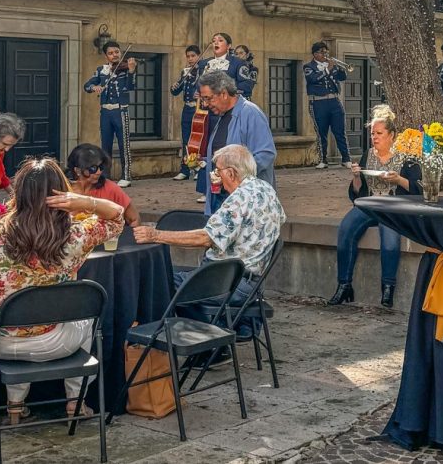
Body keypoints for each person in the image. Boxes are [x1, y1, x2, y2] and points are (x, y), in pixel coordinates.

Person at [0, 157, 125, 423]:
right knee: (86, 317)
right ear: (61, 194)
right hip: (54, 341)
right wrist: (86, 202)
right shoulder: (76, 238)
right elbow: (117, 217)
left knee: (5, 316)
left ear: (17, 194)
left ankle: (15, 407)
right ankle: (74, 403)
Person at [135, 145, 285, 332]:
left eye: (218, 170)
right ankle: (217, 332)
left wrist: (155, 235)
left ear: (231, 173)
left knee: (158, 282)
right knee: (175, 276)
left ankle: (201, 339)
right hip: (252, 282)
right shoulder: (265, 188)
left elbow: (207, 238)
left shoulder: (240, 199)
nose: (215, 175)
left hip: (227, 284)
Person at [329, 105, 421, 308]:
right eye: (372, 134)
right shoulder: (367, 155)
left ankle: (388, 288)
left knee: (389, 237)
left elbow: (417, 189)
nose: (375, 138)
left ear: (392, 135)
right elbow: (357, 193)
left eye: (379, 133)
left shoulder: (406, 157)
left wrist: (399, 180)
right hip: (369, 204)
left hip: (393, 207)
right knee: (346, 229)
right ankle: (344, 285)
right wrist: (356, 177)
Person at [197, 71, 277, 214]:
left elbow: (266, 154)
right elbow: (226, 155)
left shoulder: (250, 113)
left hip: (246, 203)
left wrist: (235, 176)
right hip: (221, 198)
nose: (205, 104)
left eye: (208, 99)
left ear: (223, 93)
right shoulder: (222, 116)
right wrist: (205, 161)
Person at [83, 41, 136, 187]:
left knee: (123, 144)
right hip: (105, 111)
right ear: (106, 56)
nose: (115, 55)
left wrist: (131, 71)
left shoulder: (126, 69)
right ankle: (105, 176)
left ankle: (126, 176)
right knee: (105, 144)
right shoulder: (101, 70)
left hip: (121, 110)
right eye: (111, 53)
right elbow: (86, 85)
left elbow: (131, 87)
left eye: (117, 52)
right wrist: (95, 87)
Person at [66, 143, 141, 227]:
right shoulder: (63, 190)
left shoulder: (110, 188)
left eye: (101, 167)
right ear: (77, 170)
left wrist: (128, 239)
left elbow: (134, 219)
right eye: (93, 169)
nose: (99, 172)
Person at [304, 41, 352, 169]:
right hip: (318, 102)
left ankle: (346, 159)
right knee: (321, 133)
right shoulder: (308, 66)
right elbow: (312, 79)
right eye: (322, 52)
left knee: (340, 131)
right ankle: (323, 160)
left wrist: (340, 68)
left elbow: (342, 77)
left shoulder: (331, 65)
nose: (325, 54)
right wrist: (327, 69)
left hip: (334, 101)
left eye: (326, 52)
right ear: (315, 54)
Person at [170, 45, 201, 181]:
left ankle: (199, 168)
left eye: (193, 56)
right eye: (188, 56)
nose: (190, 59)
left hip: (199, 108)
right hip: (187, 109)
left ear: (199, 56)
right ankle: (185, 169)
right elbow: (177, 91)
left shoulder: (203, 71)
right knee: (186, 139)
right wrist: (174, 87)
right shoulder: (185, 72)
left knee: (198, 140)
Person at [196, 32, 255, 98]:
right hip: (207, 104)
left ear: (228, 46)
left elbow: (246, 85)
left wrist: (227, 90)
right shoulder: (204, 63)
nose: (216, 43)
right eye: (213, 41)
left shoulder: (238, 62)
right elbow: (198, 84)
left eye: (220, 40)